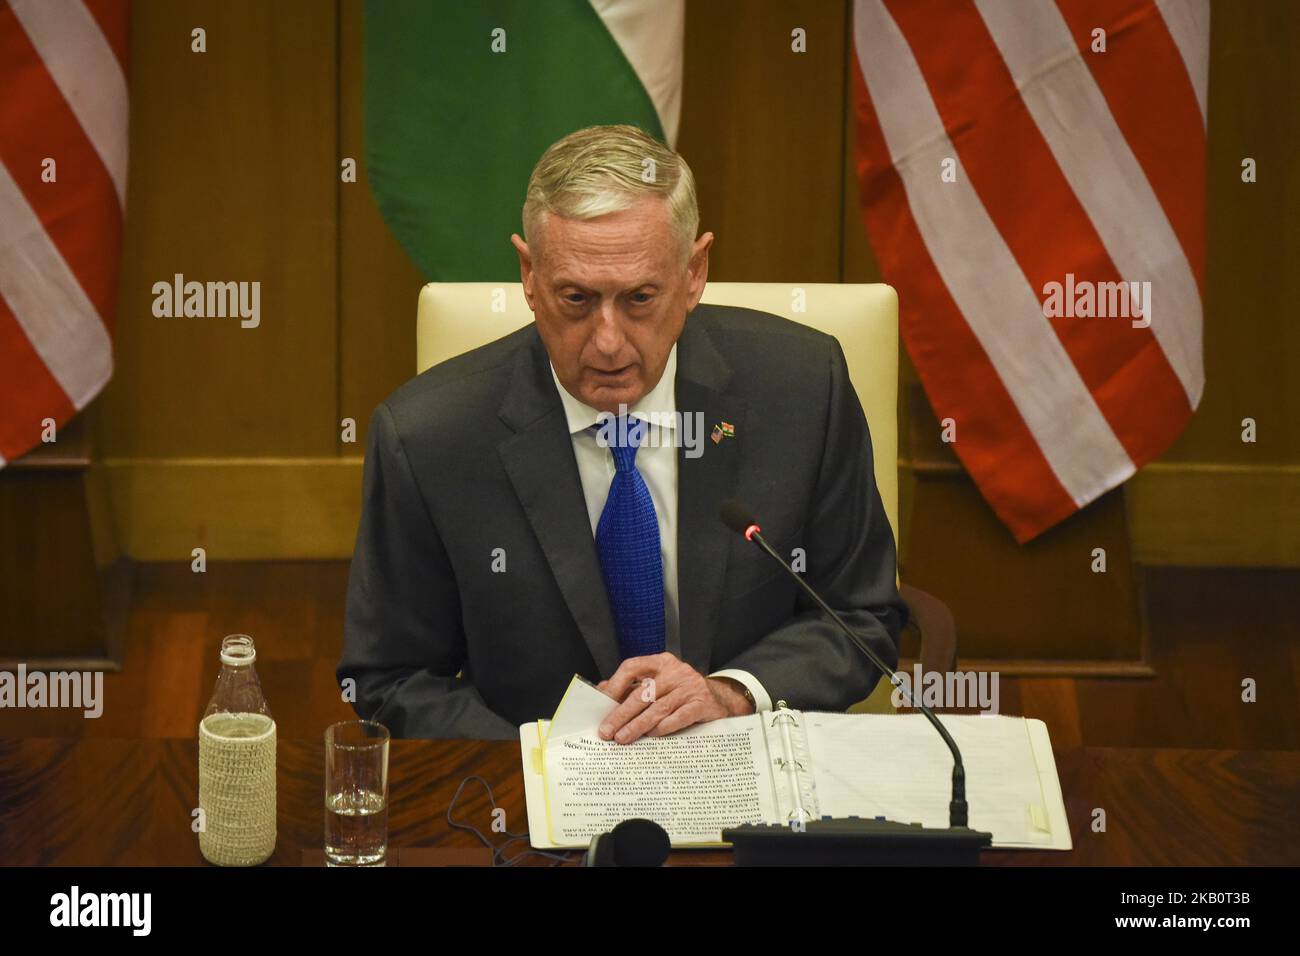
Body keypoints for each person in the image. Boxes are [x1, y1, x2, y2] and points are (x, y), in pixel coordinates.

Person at [338, 124, 906, 741]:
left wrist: (733, 692)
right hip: (531, 805)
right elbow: (389, 679)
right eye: (576, 299)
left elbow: (860, 614)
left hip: (748, 772)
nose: (608, 343)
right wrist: (546, 760)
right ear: (528, 275)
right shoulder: (429, 436)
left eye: (639, 298)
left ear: (694, 271)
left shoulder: (801, 389)